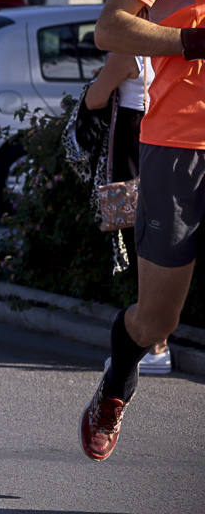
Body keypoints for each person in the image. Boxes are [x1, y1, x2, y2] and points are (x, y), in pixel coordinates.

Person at [82, 0, 205, 462]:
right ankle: (117, 381)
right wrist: (188, 41)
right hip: (181, 145)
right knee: (157, 321)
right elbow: (111, 29)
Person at [83, 52, 170, 374]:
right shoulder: (174, 44)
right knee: (167, 240)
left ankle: (155, 346)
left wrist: (101, 76)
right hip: (171, 140)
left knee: (141, 242)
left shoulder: (128, 52)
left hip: (134, 143)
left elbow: (95, 100)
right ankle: (159, 342)